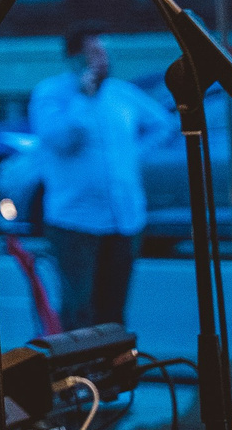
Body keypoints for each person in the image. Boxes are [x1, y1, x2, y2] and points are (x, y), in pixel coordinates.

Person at [28, 29, 174, 331]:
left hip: (124, 218)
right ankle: (78, 372)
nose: (102, 61)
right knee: (79, 307)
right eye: (94, 54)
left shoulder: (121, 93)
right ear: (74, 58)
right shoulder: (51, 94)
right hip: (75, 220)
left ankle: (113, 372)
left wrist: (133, 153)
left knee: (114, 308)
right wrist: (83, 98)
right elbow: (62, 139)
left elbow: (162, 123)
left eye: (105, 53)